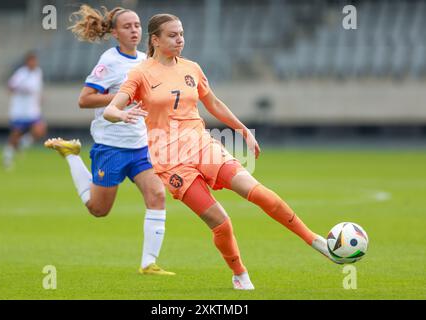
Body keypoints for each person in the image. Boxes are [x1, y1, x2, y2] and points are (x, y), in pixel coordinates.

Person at [103, 13, 338, 290]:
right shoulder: (141, 73)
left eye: (181, 34)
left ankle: (314, 240)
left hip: (203, 146)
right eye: (173, 35)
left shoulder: (191, 68)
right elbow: (110, 110)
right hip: (171, 163)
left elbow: (212, 102)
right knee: (221, 223)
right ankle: (240, 274)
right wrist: (122, 114)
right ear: (155, 39)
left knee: (259, 193)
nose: (180, 39)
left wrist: (242, 130)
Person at [44, 5, 174, 276]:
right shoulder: (109, 62)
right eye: (127, 27)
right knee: (98, 209)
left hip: (140, 146)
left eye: (137, 25)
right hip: (111, 146)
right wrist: (121, 99)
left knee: (158, 194)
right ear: (115, 32)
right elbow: (85, 99)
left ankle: (148, 264)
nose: (134, 30)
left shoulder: (146, 60)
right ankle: (71, 155)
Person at [2, 52, 47, 169]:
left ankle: (22, 144)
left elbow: (38, 88)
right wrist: (22, 89)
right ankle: (7, 157)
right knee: (15, 135)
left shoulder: (38, 72)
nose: (34, 63)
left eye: (35, 61)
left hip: (32, 110)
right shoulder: (21, 73)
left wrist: (40, 98)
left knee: (40, 129)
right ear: (27, 62)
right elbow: (10, 87)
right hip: (19, 110)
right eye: (31, 61)